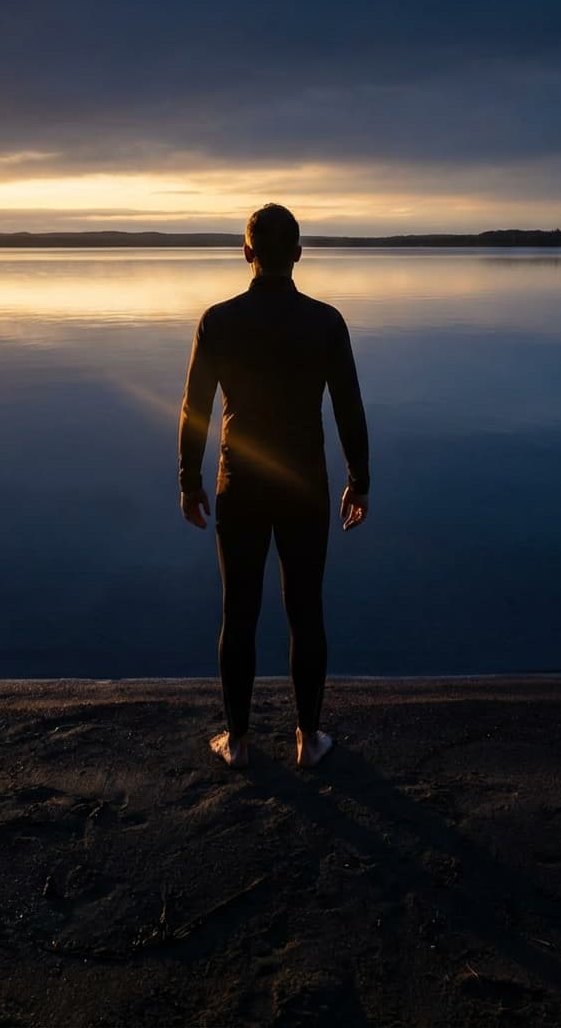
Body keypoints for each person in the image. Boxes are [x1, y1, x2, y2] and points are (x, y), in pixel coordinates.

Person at [178, 203, 369, 769]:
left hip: (239, 483)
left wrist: (189, 481)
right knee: (305, 610)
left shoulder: (218, 319)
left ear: (247, 253)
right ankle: (308, 740)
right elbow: (349, 410)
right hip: (304, 486)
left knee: (238, 610)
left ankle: (236, 742)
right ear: (299, 255)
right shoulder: (326, 321)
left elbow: (195, 409)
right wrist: (359, 480)